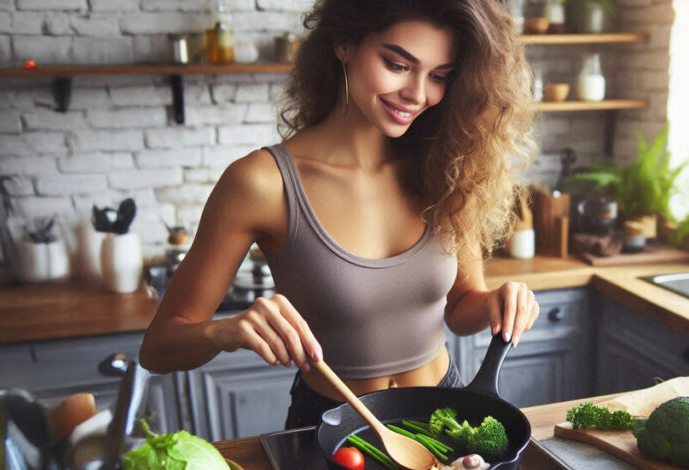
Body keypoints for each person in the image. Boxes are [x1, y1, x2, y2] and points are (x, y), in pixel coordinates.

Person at [140, 0, 539, 429]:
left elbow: (460, 307)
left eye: (439, 76)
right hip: (331, 426)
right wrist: (224, 331)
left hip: (443, 411)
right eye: (398, 64)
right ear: (345, 44)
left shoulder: (446, 166)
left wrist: (495, 303)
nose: (418, 94)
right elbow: (158, 349)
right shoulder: (261, 183)